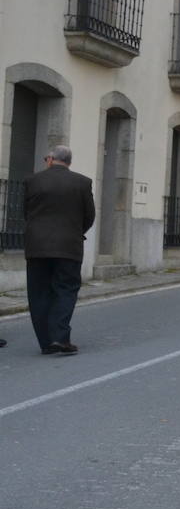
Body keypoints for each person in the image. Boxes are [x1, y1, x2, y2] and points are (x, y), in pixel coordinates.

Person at [23, 145, 95, 355]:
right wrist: (74, 231)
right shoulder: (82, 182)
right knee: (66, 290)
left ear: (50, 160)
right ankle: (60, 338)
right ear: (69, 162)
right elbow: (89, 215)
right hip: (68, 246)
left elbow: (27, 213)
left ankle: (46, 342)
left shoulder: (32, 181)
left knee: (38, 293)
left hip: (37, 247)